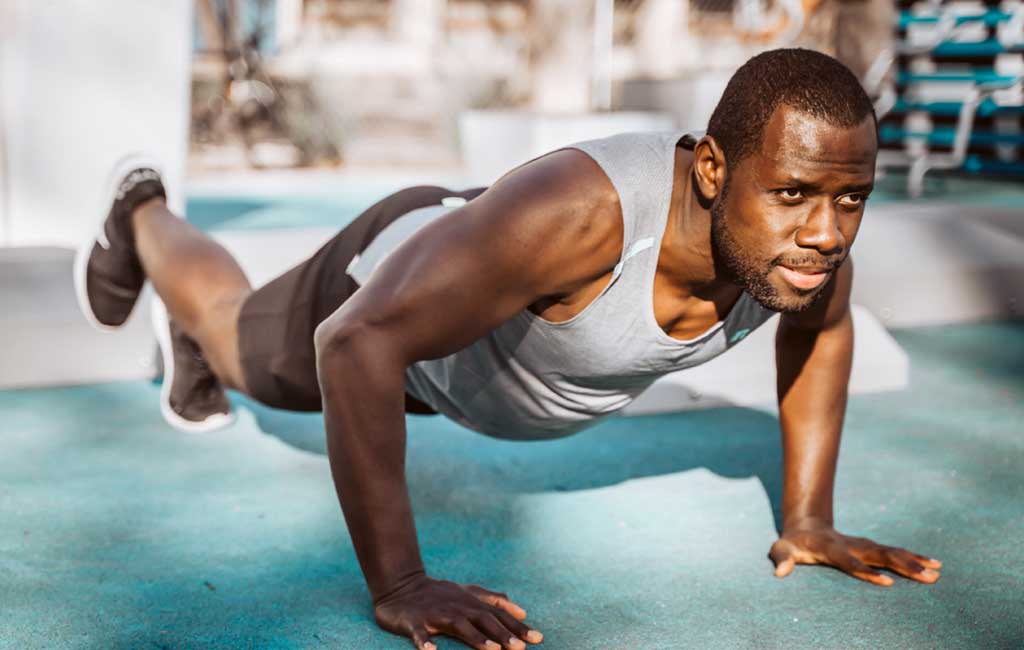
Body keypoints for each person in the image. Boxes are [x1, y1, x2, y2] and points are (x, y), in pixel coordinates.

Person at [75, 49, 942, 650]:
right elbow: (353, 343)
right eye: (792, 192)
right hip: (389, 305)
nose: (827, 232)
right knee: (237, 344)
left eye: (851, 198)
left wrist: (808, 519)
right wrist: (401, 582)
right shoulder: (582, 215)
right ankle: (143, 210)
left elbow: (822, 333)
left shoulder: (805, 252)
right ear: (713, 169)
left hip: (463, 359)